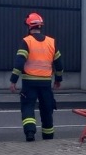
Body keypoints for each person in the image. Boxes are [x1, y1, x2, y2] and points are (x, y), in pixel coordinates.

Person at [9, 12, 63, 141]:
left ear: (29, 26)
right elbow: (59, 64)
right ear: (40, 26)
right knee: (47, 109)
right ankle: (48, 136)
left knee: (28, 106)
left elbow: (19, 62)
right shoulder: (51, 42)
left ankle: (30, 133)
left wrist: (13, 80)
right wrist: (58, 79)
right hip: (46, 83)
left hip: (29, 83)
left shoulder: (27, 41)